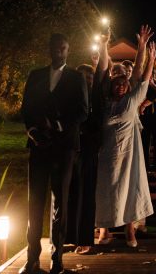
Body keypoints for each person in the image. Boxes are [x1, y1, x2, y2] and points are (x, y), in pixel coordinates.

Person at [19, 33, 89, 274]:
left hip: (64, 147)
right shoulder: (36, 75)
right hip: (38, 145)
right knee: (34, 202)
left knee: (61, 202)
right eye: (55, 48)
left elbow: (83, 111)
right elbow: (26, 107)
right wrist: (32, 131)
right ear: (49, 49)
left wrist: (59, 125)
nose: (59, 51)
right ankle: (32, 259)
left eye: (63, 48)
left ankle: (57, 258)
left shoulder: (76, 78)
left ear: (68, 50)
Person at [95, 25, 156, 248]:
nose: (120, 86)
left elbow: (141, 76)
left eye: (124, 83)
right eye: (116, 83)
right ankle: (104, 231)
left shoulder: (131, 101)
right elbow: (103, 71)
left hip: (128, 153)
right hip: (107, 153)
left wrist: (144, 51)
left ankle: (130, 231)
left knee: (129, 188)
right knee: (106, 188)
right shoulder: (104, 103)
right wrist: (103, 46)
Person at [66, 64, 101, 255]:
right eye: (82, 77)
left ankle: (85, 239)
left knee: (86, 194)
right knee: (69, 193)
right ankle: (68, 237)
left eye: (89, 77)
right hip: (69, 149)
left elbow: (98, 125)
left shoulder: (96, 98)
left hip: (88, 149)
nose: (86, 80)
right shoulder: (69, 98)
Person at [140, 66, 156, 171]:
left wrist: (152, 84)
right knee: (145, 139)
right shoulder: (143, 83)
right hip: (146, 112)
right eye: (152, 72)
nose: (154, 74)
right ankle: (145, 166)